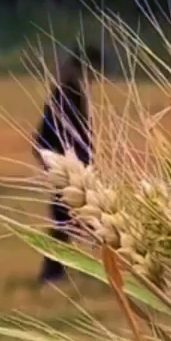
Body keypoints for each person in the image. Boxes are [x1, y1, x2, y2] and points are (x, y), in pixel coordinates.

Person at [32, 44, 100, 284]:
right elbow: (68, 138)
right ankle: (53, 273)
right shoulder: (68, 96)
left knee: (73, 224)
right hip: (70, 170)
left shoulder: (67, 93)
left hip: (69, 169)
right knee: (78, 222)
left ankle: (57, 272)